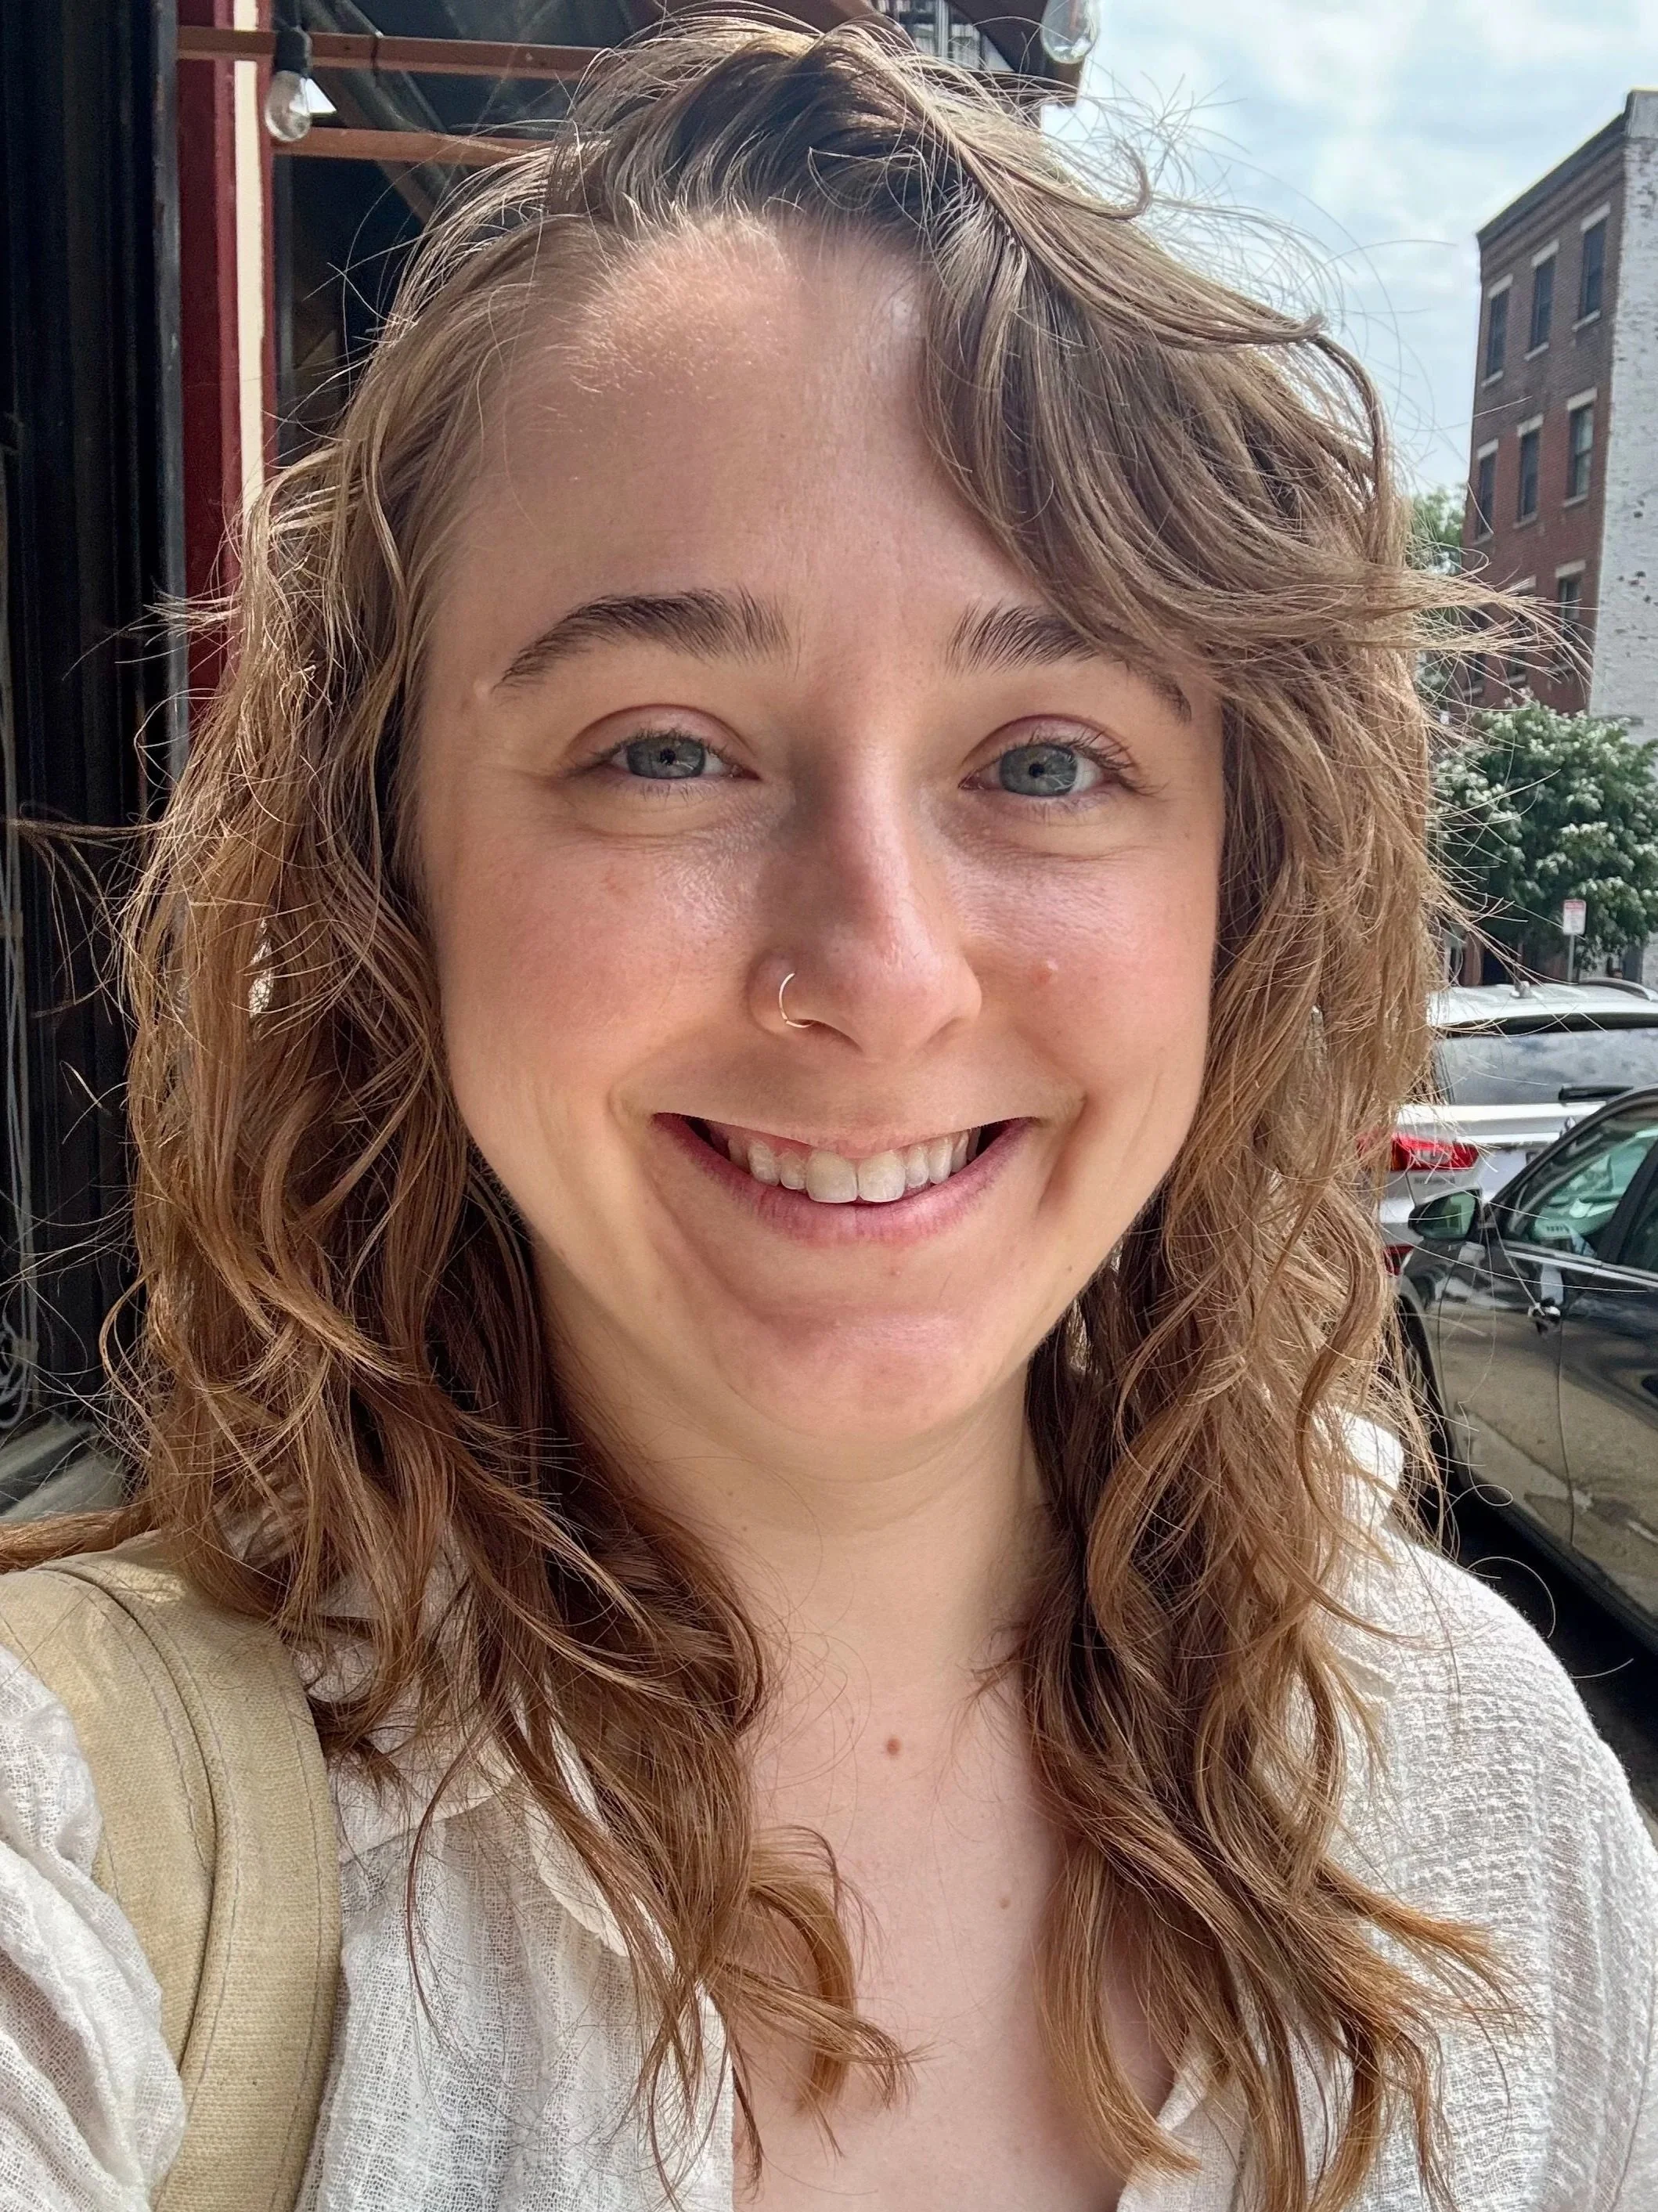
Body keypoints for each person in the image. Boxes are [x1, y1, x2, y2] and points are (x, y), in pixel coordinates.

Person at [0, 20, 1653, 2212]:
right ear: (381, 860)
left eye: (1045, 759)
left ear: (1235, 896)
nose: (874, 972)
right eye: (664, 748)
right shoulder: (96, 1840)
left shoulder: (1486, 1797)